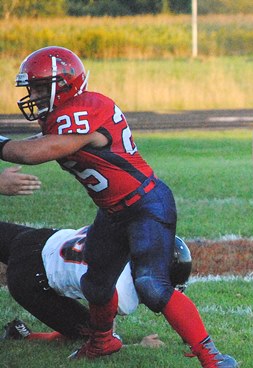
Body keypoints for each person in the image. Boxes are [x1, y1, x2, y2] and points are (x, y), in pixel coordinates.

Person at [0, 46, 237, 367]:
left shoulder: (86, 108)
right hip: (113, 211)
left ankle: (212, 357)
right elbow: (36, 144)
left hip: (146, 204)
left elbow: (37, 152)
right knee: (95, 284)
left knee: (151, 285)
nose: (36, 96)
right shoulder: (64, 115)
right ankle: (101, 343)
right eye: (34, 89)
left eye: (42, 88)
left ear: (66, 84)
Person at [0, 220, 191, 347]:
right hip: (30, 276)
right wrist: (138, 346)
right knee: (90, 334)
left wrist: (187, 333)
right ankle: (21, 335)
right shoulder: (121, 292)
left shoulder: (131, 239)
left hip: (42, 238)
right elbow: (104, 341)